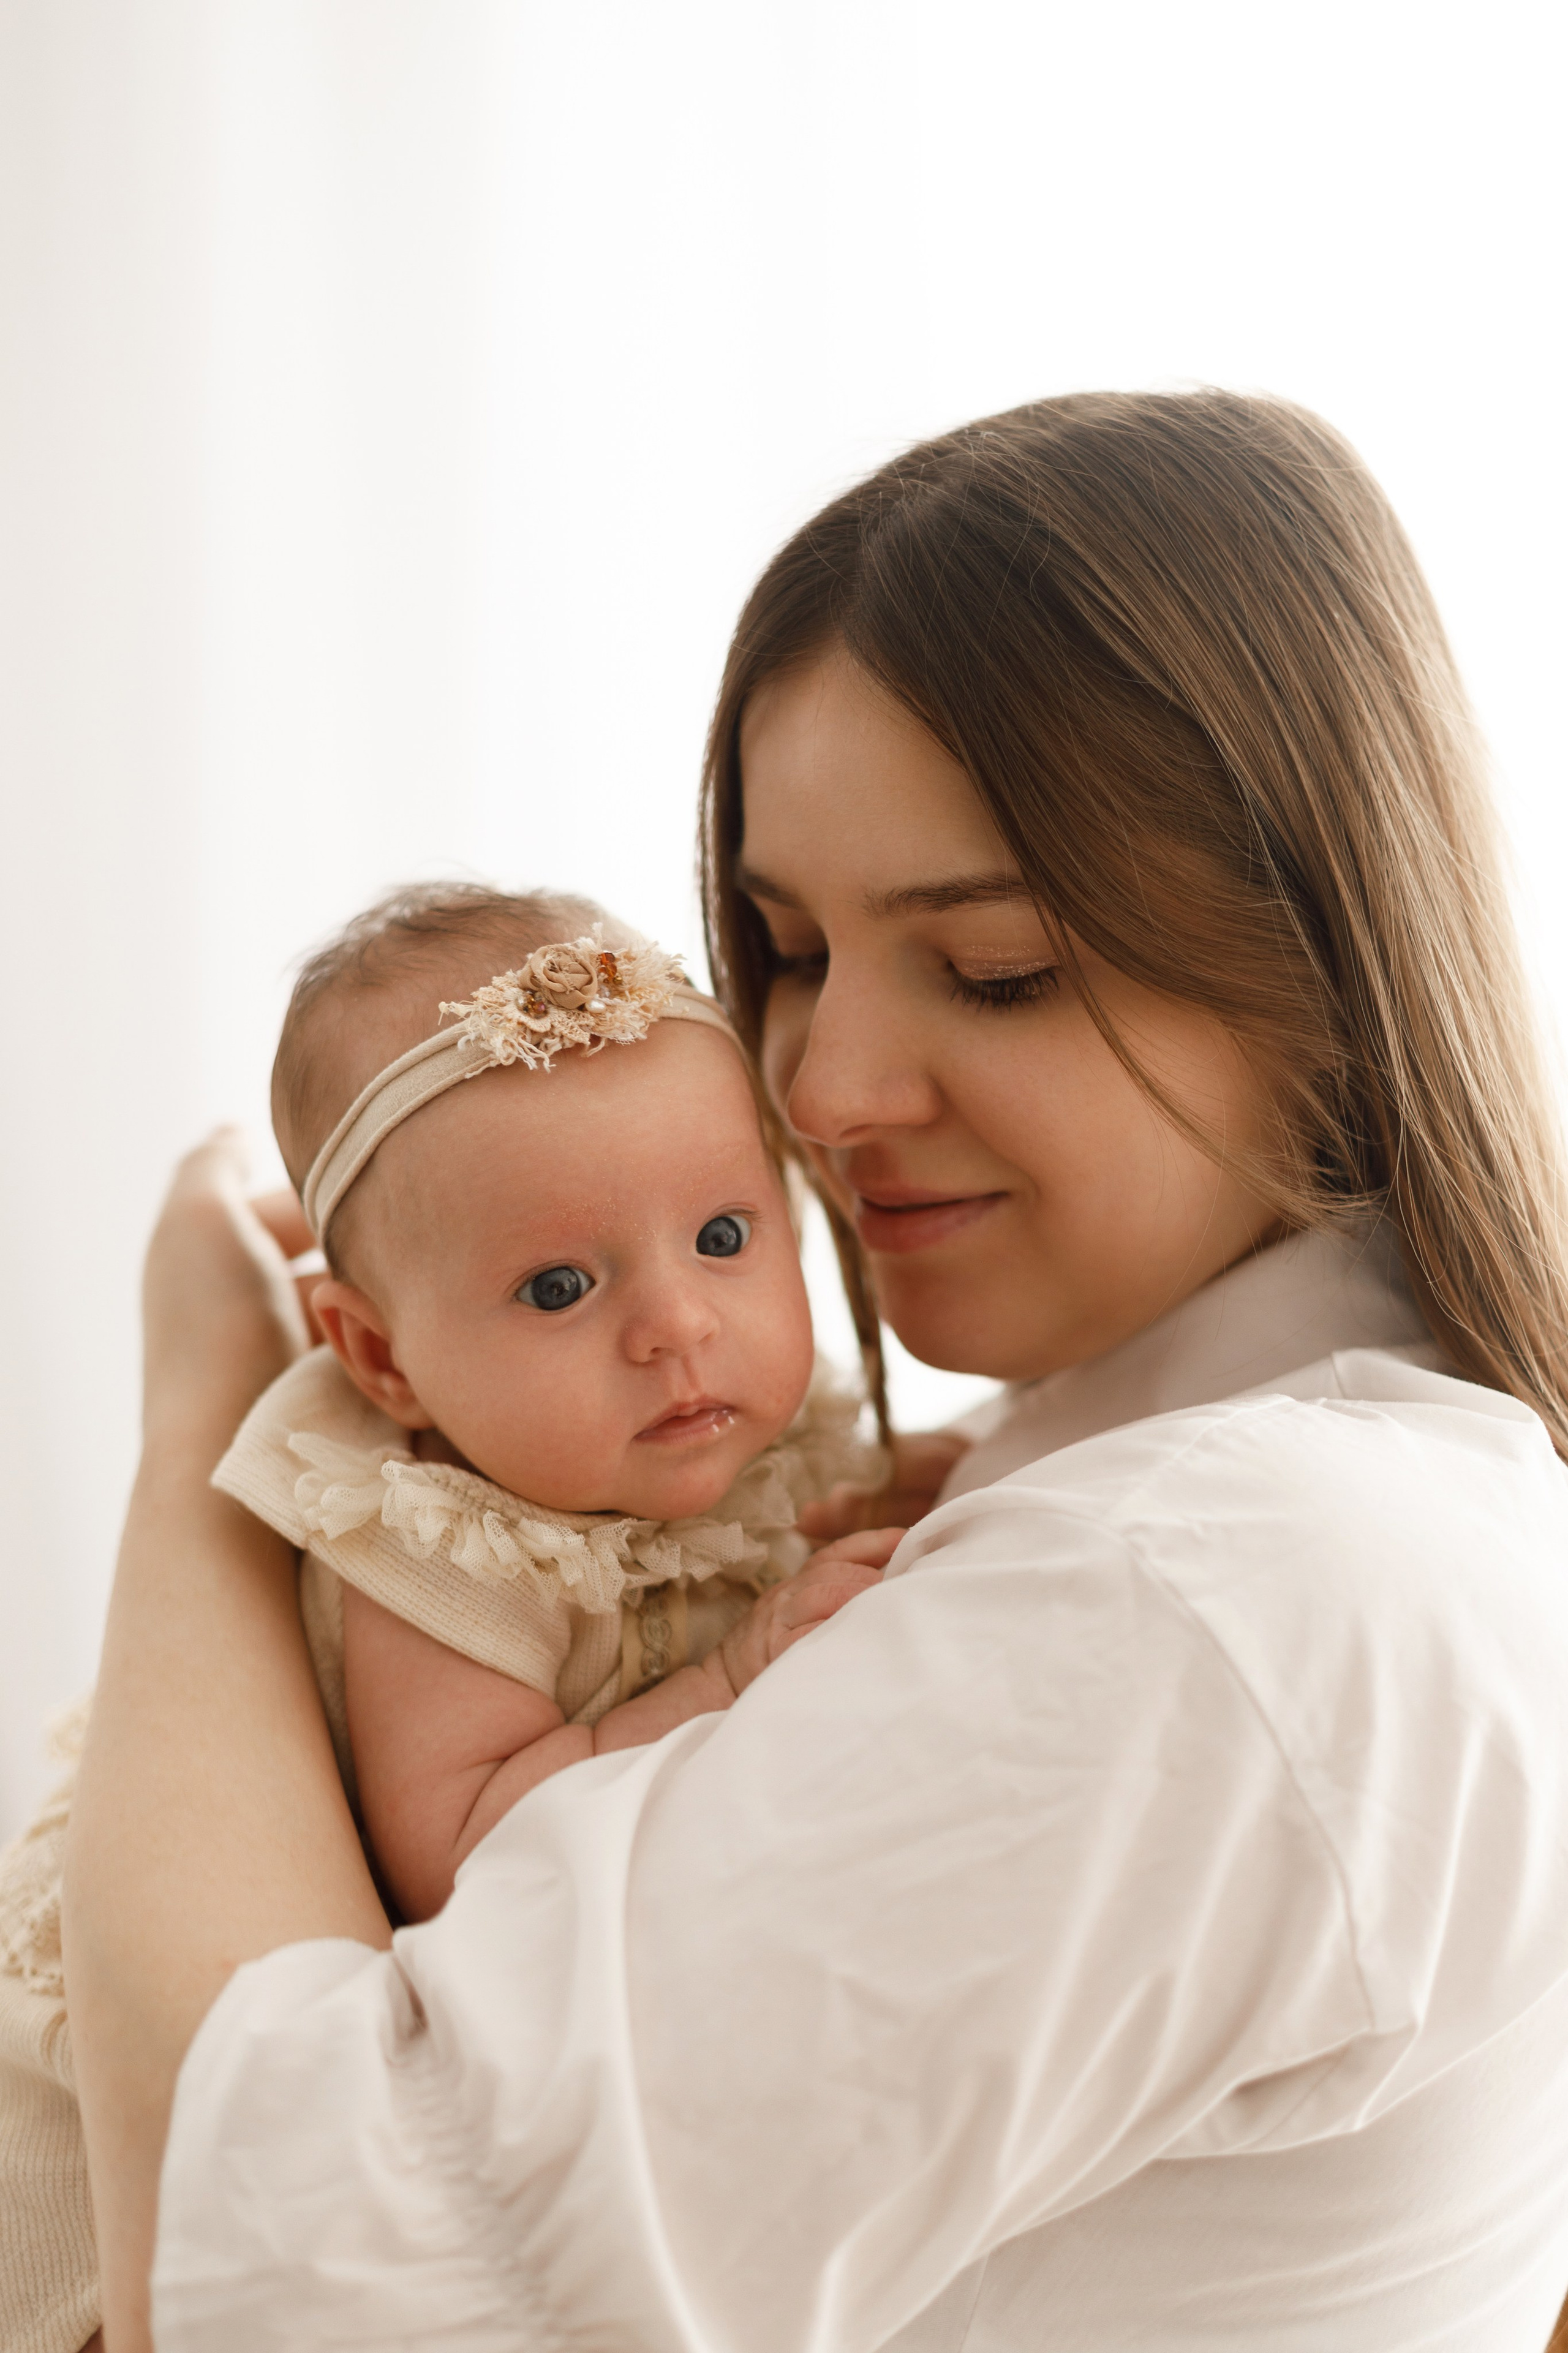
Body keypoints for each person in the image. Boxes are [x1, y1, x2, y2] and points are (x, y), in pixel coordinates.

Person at [64, 391, 1568, 2351]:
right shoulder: (1127, 1485)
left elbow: (275, 2280)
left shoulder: (1222, 1587)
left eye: (1001, 964)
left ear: (1321, 953)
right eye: (782, 951)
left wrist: (213, 1422)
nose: (825, 1096)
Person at [0, 883, 907, 2351]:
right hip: (132, 2171)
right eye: (559, 1283)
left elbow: (784, 1518)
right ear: (383, 1360)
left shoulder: (690, 1425)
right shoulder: (421, 1527)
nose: (676, 1320)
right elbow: (467, 1840)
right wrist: (733, 1669)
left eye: (726, 1232)